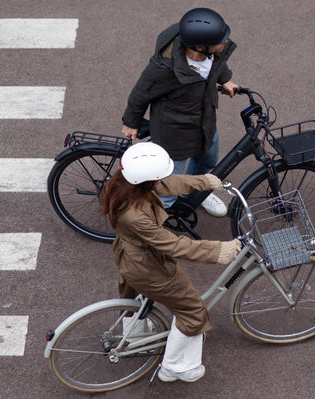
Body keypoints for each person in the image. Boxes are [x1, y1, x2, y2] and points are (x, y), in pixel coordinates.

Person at [100, 142, 242, 382]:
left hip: (130, 257)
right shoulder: (135, 215)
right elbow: (173, 245)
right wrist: (218, 251)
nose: (161, 181)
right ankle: (175, 367)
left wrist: (204, 182)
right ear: (148, 182)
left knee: (133, 297)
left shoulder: (124, 185)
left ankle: (134, 336)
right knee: (193, 311)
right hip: (149, 266)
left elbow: (168, 184)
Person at [121, 7, 239, 217]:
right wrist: (132, 122)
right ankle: (153, 224)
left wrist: (225, 79)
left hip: (205, 122)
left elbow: (218, 64)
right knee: (169, 187)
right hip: (176, 133)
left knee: (208, 162)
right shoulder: (164, 68)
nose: (226, 42)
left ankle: (197, 193)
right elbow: (140, 93)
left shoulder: (209, 52)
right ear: (200, 46)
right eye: (221, 40)